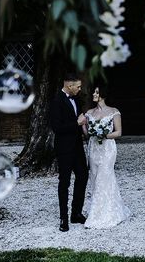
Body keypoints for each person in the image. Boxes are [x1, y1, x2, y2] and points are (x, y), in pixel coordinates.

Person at [80, 85, 130, 228]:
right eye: (94, 92)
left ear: (103, 94)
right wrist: (83, 125)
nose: (94, 94)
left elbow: (118, 132)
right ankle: (97, 210)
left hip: (107, 148)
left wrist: (104, 134)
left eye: (97, 92)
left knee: (105, 176)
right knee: (95, 178)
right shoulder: (89, 112)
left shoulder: (114, 112)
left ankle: (107, 214)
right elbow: (87, 135)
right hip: (94, 148)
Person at [50, 73, 88, 232]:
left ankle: (76, 213)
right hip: (64, 148)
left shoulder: (76, 99)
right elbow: (57, 128)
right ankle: (63, 218)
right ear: (69, 85)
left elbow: (80, 121)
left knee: (83, 176)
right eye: (78, 86)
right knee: (64, 182)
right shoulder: (56, 101)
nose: (79, 89)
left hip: (78, 147)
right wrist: (76, 123)